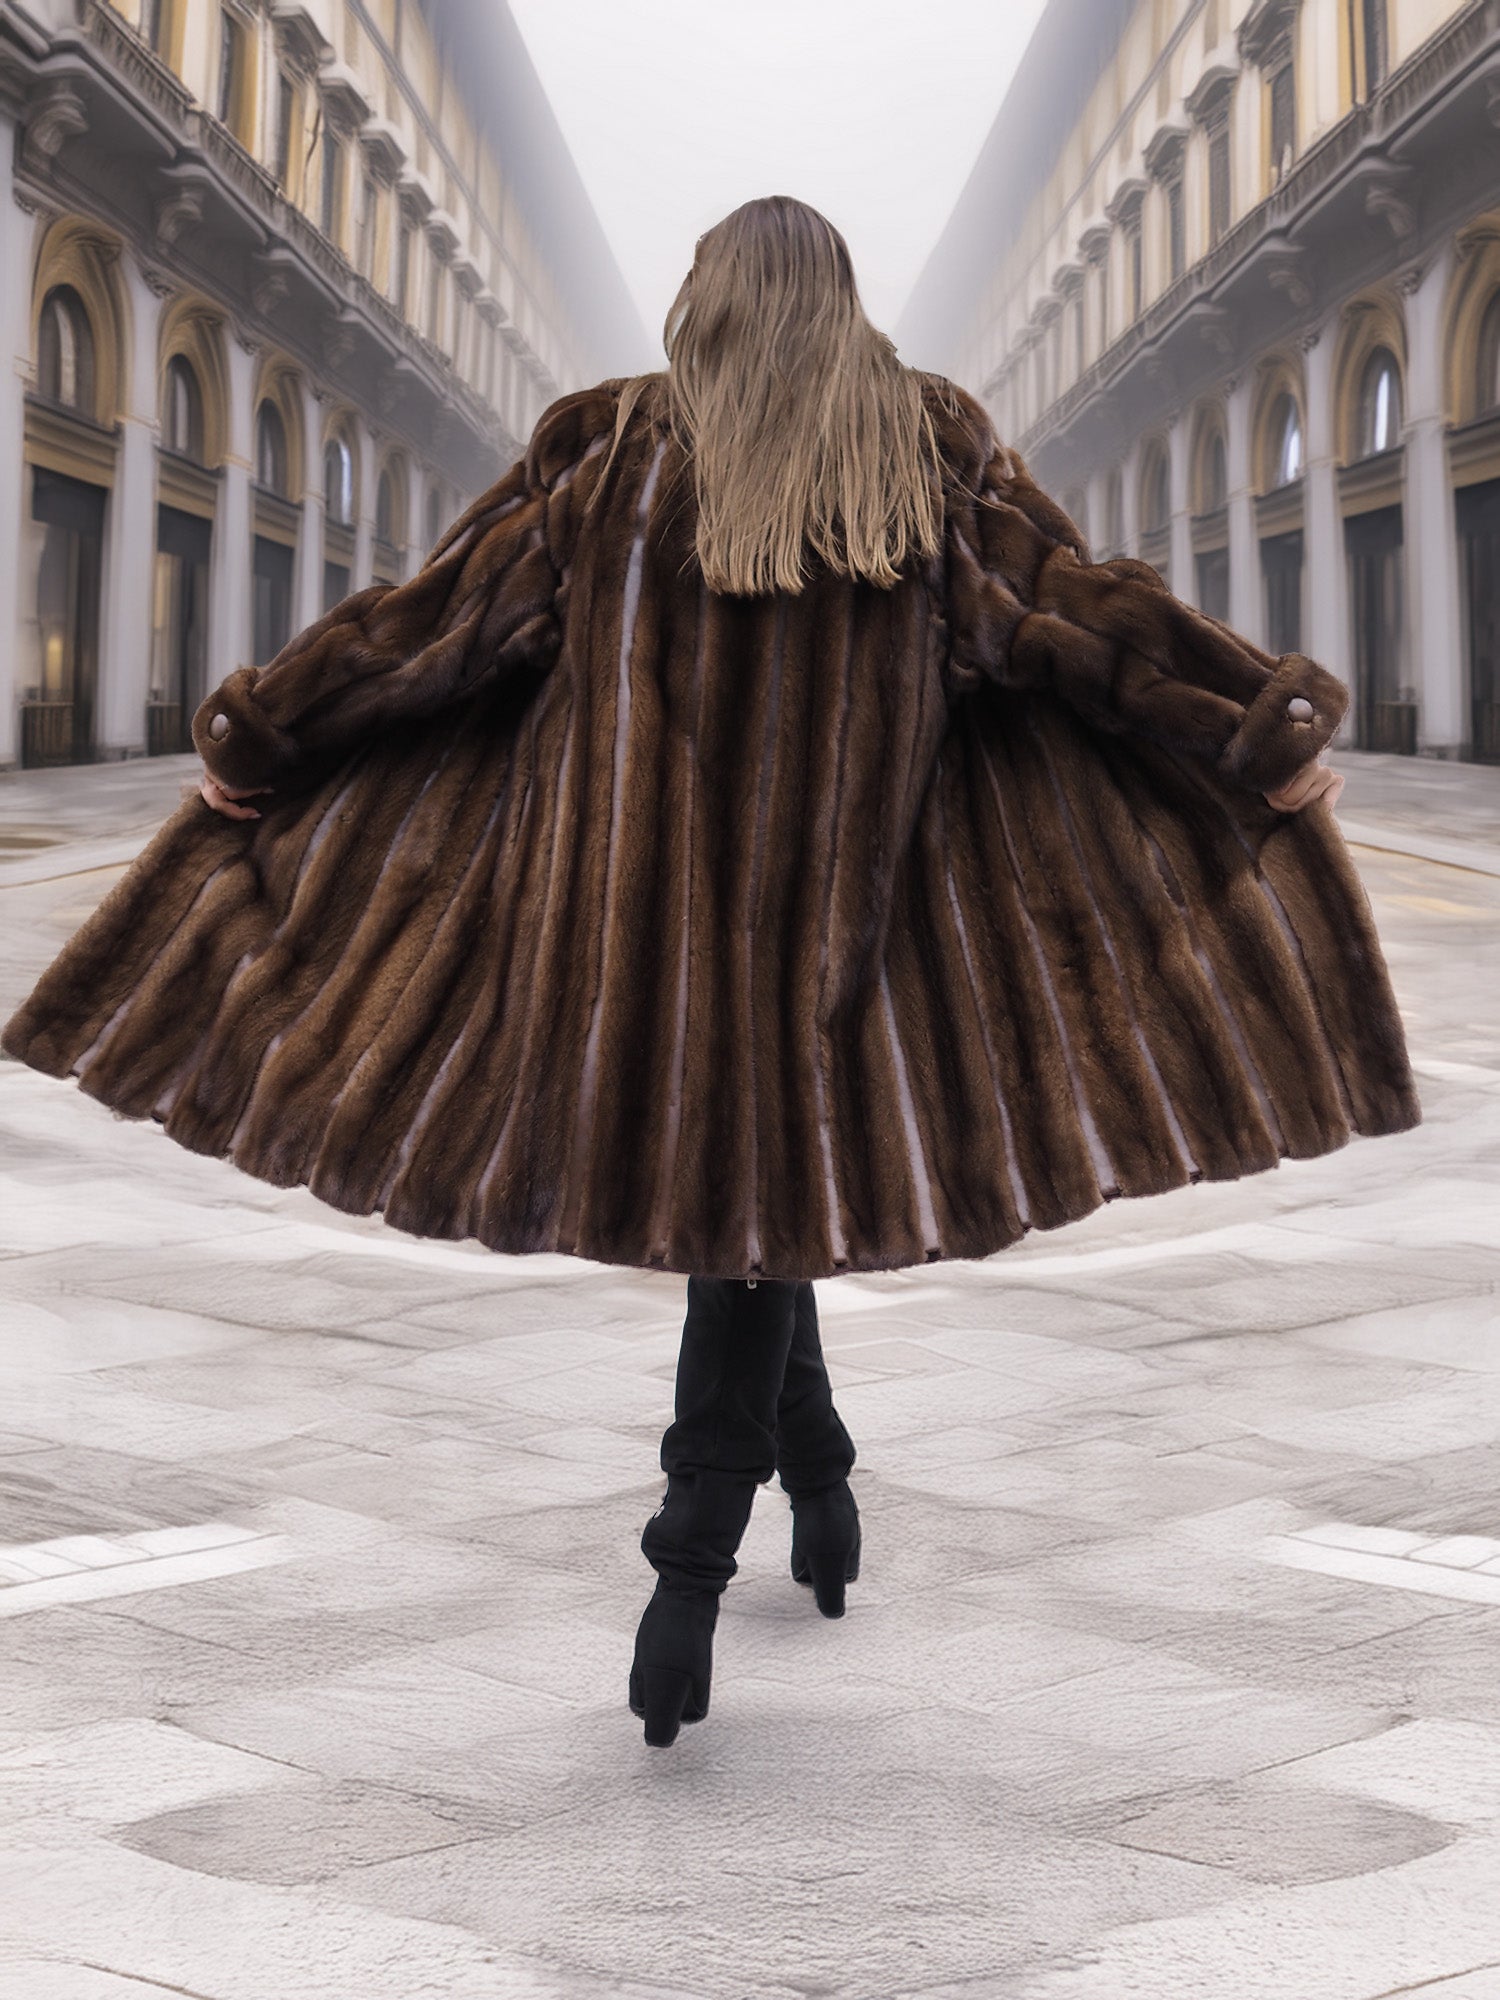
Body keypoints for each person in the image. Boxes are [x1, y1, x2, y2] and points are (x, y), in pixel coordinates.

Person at [5, 196, 1418, 1752]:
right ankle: (812, 1484)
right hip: (844, 925)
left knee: (745, 1217)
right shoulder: (924, 454)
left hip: (632, 949)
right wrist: (1256, 726)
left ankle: (690, 1574)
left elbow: (433, 631)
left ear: (706, 298)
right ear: (842, 302)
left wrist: (262, 735)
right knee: (760, 1207)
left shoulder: (606, 453)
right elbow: (1079, 616)